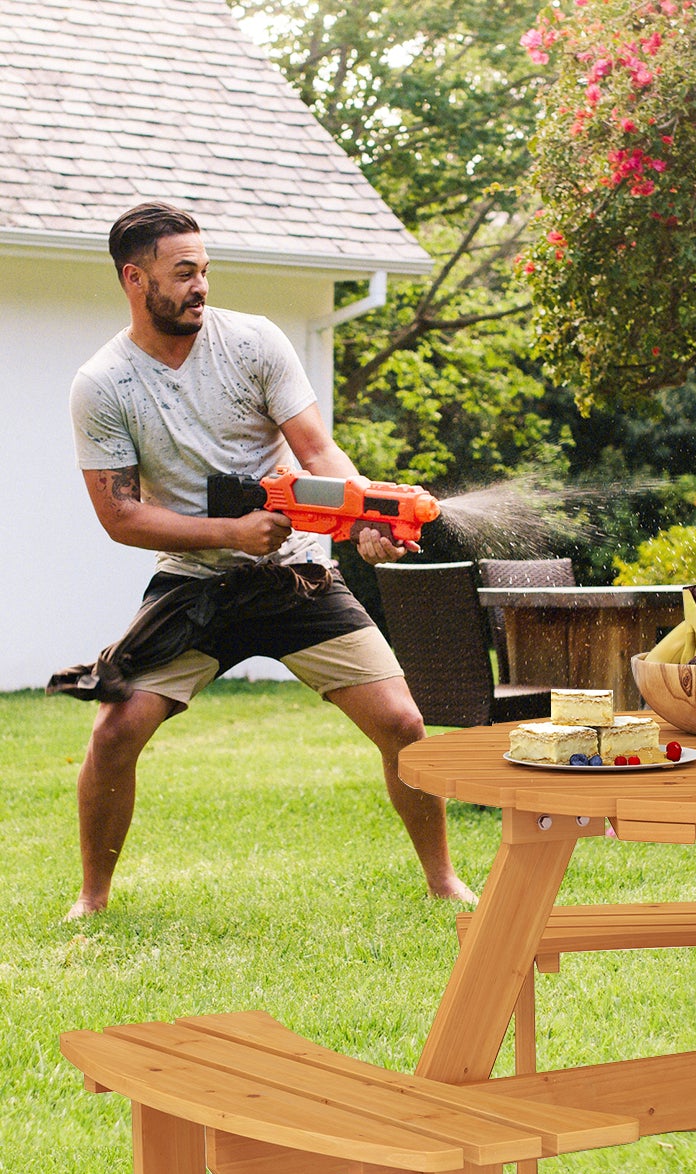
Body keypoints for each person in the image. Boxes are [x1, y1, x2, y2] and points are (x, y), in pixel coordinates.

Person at [64, 201, 474, 919]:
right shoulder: (104, 383)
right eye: (182, 273)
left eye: (204, 270)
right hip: (194, 584)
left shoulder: (253, 343)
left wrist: (364, 517)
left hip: (297, 576)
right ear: (135, 279)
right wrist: (229, 533)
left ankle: (442, 880)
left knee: (403, 724)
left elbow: (318, 452)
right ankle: (92, 899)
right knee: (115, 729)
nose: (200, 285)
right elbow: (120, 516)